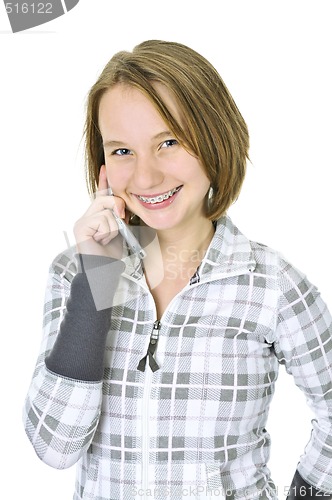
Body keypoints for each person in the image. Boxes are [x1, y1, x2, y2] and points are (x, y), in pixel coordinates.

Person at [23, 40, 332, 500]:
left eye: (168, 142)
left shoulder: (271, 283)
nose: (145, 178)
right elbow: (55, 446)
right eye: (122, 151)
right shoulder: (76, 273)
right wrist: (97, 280)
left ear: (214, 136)